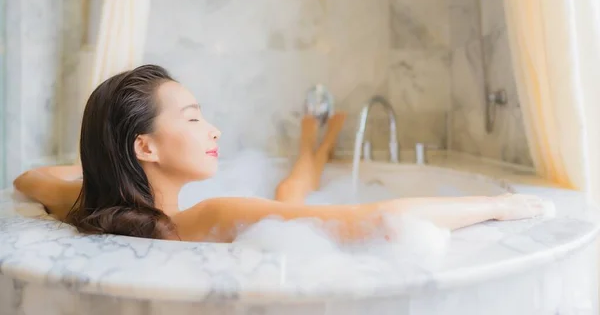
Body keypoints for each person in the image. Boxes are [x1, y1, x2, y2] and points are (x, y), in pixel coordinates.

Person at [13, 65, 548, 243]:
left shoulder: (80, 204)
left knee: (291, 193)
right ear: (145, 146)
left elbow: (29, 178)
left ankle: (310, 149)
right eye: (195, 117)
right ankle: (310, 152)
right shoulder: (204, 218)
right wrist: (496, 205)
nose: (213, 129)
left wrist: (108, 163)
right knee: (291, 197)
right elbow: (371, 220)